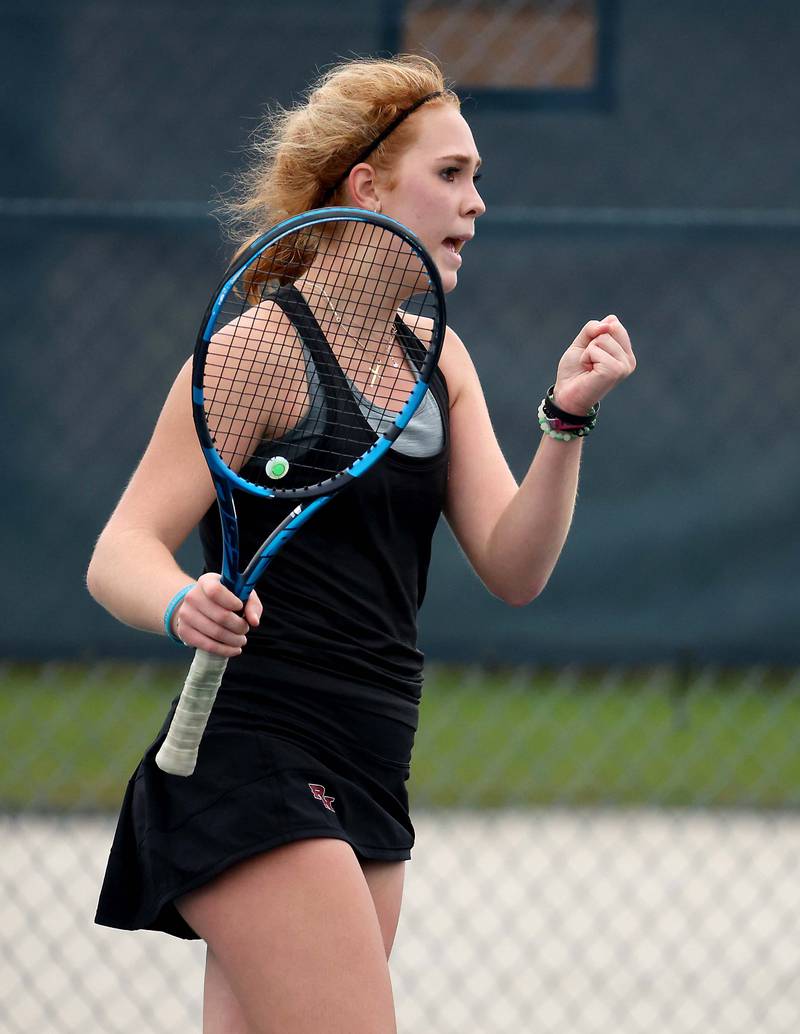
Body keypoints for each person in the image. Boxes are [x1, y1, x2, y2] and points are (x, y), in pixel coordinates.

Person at [87, 54, 636, 1034]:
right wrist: (181, 601)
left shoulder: (440, 357)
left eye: (476, 177)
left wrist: (563, 418)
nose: (477, 201)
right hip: (251, 752)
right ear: (365, 184)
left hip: (374, 749)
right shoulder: (259, 346)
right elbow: (121, 547)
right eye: (451, 173)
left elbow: (513, 566)